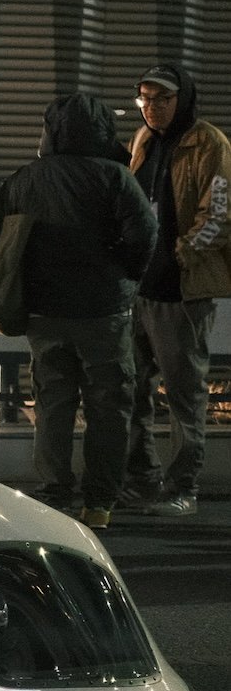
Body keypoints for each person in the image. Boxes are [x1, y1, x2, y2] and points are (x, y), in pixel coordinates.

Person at [0, 92, 158, 527]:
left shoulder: (24, 179)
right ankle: (99, 504)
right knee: (108, 405)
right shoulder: (115, 177)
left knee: (53, 402)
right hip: (104, 313)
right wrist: (125, 276)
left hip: (44, 314)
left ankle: (54, 494)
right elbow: (145, 232)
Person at [122, 63, 231, 515]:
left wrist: (182, 253)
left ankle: (183, 488)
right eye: (144, 99)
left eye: (161, 99)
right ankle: (143, 478)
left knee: (185, 396)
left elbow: (221, 210)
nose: (151, 108)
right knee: (132, 388)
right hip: (140, 289)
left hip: (181, 292)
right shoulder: (143, 139)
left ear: (181, 99)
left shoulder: (209, 142)